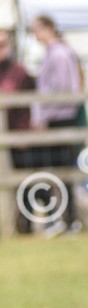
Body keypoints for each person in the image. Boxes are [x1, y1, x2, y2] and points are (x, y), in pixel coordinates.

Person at [29, 15, 83, 233]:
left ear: (48, 28)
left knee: (60, 172)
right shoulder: (54, 53)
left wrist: (43, 116)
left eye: (37, 30)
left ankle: (67, 220)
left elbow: (61, 89)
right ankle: (62, 219)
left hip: (59, 118)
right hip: (57, 117)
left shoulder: (58, 54)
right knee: (56, 171)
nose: (35, 35)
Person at [0, 30, 36, 233]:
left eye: (2, 44)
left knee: (26, 182)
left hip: (21, 135)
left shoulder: (18, 71)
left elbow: (10, 94)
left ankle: (26, 225)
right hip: (5, 136)